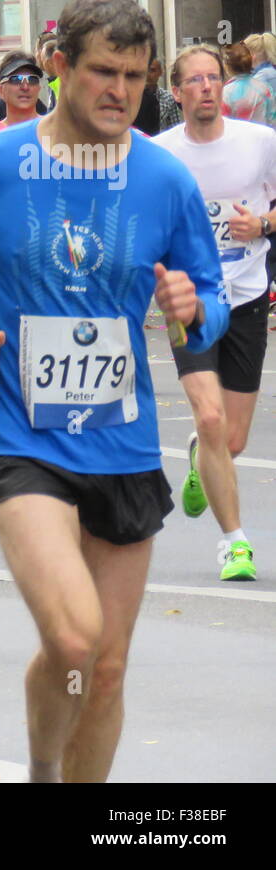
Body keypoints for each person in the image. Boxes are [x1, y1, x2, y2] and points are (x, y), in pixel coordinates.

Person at [0, 0, 228, 783]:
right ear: (57, 67)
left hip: (122, 440)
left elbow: (211, 305)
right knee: (76, 637)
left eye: (137, 76)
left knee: (106, 666)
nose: (121, 92)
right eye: (103, 73)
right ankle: (43, 769)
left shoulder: (164, 178)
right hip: (22, 438)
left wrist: (191, 312)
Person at [154, 44, 275, 582]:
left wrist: (265, 224)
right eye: (195, 80)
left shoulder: (260, 143)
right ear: (177, 92)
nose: (207, 87)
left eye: (214, 78)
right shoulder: (159, 155)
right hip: (190, 302)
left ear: (224, 85)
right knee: (209, 417)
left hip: (247, 297)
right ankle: (235, 543)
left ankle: (206, 456)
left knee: (231, 439)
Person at [0, 51, 47, 143]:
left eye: (32, 79)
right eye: (15, 80)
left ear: (39, 88)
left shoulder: (58, 133)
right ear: (0, 90)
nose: (25, 87)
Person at [220, 42, 276, 128]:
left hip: (238, 139)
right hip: (263, 138)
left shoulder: (225, 93)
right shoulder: (265, 88)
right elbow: (272, 120)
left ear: (226, 67)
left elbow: (223, 125)